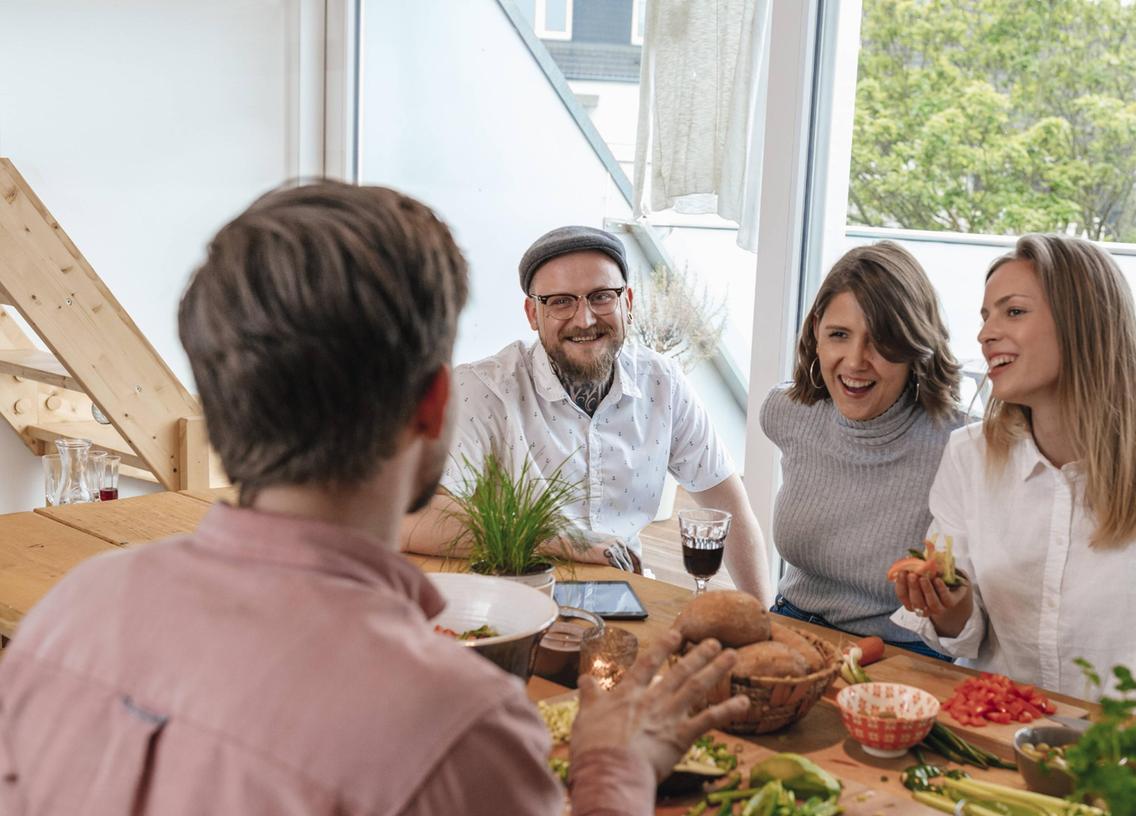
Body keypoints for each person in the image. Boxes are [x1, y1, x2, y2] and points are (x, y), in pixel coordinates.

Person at [0, 183, 748, 814]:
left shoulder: (71, 614)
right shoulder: (459, 728)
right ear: (434, 405)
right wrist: (614, 773)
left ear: (223, 404)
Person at [890, 234, 1136, 701]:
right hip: (991, 728)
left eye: (1013, 312)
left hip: (1121, 749)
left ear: (1084, 324)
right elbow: (965, 635)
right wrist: (950, 608)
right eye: (985, 316)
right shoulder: (968, 456)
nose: (984, 334)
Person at [402, 225, 771, 601]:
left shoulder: (664, 383)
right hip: (515, 601)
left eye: (601, 297)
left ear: (628, 302)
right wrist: (565, 542)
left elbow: (730, 508)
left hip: (629, 595)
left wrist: (765, 619)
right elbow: (409, 520)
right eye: (561, 301)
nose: (585, 319)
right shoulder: (480, 391)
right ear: (533, 313)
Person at [762, 242, 966, 659]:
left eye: (881, 342)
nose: (855, 361)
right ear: (817, 331)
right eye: (839, 335)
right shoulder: (785, 412)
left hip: (907, 653)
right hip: (790, 626)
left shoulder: (962, 445)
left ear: (914, 345)